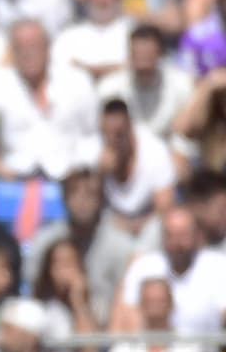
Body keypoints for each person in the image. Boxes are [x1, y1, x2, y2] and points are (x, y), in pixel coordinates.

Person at [0, 18, 99, 180]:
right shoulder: (1, 82)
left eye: (34, 45)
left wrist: (83, 167)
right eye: (20, 47)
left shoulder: (77, 81)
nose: (28, 53)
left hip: (71, 180)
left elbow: (93, 133)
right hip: (17, 179)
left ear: (47, 47)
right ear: (12, 52)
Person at [25, 166, 137, 328]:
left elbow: (127, 298)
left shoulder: (120, 245)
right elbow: (33, 287)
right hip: (52, 327)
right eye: (74, 194)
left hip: (105, 328)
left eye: (90, 195)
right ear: (64, 198)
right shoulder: (45, 241)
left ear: (101, 200)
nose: (82, 202)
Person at [111, 206, 226, 335]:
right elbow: (126, 319)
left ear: (197, 235)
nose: (177, 243)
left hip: (206, 351)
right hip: (153, 350)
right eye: (171, 235)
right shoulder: (144, 267)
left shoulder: (218, 267)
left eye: (183, 235)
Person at [97, 24, 194, 145]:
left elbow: (185, 131)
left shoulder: (181, 86)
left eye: (148, 54)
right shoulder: (110, 89)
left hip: (168, 150)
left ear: (160, 53)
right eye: (138, 53)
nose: (142, 59)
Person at [97, 98, 175, 237]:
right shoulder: (95, 152)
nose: (112, 140)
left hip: (149, 228)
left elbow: (165, 207)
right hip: (109, 229)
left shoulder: (155, 152)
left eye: (118, 134)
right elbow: (86, 208)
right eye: (106, 134)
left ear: (130, 129)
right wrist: (100, 176)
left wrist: (133, 226)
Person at [51, 0, 133, 82]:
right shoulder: (68, 36)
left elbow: (139, 66)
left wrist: (89, 70)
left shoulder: (133, 30)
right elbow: (60, 70)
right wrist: (113, 69)